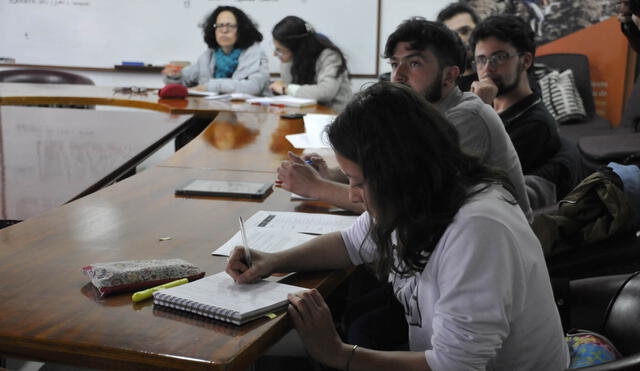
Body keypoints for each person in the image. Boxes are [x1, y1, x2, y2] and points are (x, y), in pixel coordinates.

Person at [228, 82, 569, 371]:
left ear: (399, 171)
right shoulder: (421, 197)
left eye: (358, 182)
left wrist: (338, 354)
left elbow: (455, 366)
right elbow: (350, 243)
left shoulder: (477, 229)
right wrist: (272, 260)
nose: (352, 195)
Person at [277, 18, 531, 220]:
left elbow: (405, 205)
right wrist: (334, 175)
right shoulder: (412, 113)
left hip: (492, 254)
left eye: (414, 64)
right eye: (394, 63)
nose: (397, 76)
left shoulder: (467, 117)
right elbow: (390, 176)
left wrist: (316, 188)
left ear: (450, 75)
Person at [469, 15, 560, 176]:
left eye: (499, 57)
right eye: (481, 60)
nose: (487, 69)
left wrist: (476, 112)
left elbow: (477, 175)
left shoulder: (535, 125)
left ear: (525, 61)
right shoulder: (489, 104)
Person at [162, 6, 269, 95]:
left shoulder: (254, 53)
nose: (224, 30)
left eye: (230, 26)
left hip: (245, 114)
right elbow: (184, 81)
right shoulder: (208, 55)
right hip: (210, 110)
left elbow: (253, 88)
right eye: (219, 26)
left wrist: (210, 86)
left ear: (241, 29)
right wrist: (175, 75)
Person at [269, 16, 352, 112]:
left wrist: (286, 89)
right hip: (305, 113)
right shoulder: (290, 59)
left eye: (280, 50)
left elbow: (325, 92)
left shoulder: (330, 56)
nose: (275, 54)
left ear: (296, 48)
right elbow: (291, 91)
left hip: (333, 116)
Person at [436, 2, 480, 91]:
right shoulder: (441, 90)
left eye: (466, 31)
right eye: (453, 35)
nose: (461, 40)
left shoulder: (500, 76)